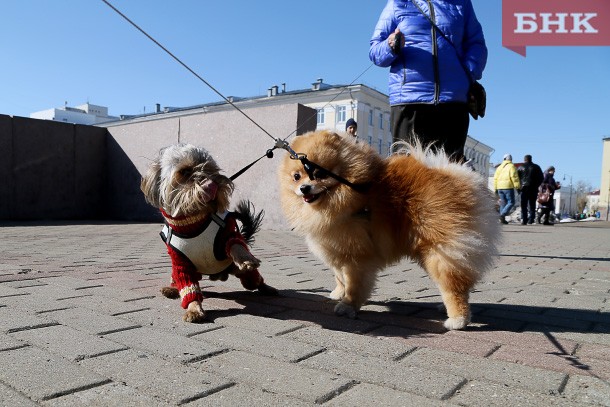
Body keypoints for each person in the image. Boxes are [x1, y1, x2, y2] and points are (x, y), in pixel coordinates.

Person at [369, 0, 487, 161]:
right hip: (409, 101)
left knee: (450, 174)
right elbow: (375, 51)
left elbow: (476, 44)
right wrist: (390, 45)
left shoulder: (461, 3)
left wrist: (467, 74)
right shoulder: (397, 3)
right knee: (409, 174)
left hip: (452, 103)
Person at [494, 154, 521, 224]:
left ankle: (502, 220)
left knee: (503, 202)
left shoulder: (499, 167)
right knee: (511, 202)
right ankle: (502, 215)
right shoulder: (511, 166)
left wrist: (495, 188)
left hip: (499, 187)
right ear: (511, 159)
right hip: (508, 187)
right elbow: (514, 177)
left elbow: (495, 178)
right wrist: (517, 186)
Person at [517, 154, 544, 225]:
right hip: (533, 188)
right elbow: (541, 178)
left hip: (523, 188)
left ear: (524, 159)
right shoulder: (536, 167)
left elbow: (517, 178)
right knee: (532, 204)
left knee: (524, 205)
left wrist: (519, 187)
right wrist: (536, 185)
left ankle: (524, 220)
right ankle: (531, 219)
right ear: (531, 159)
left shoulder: (520, 167)